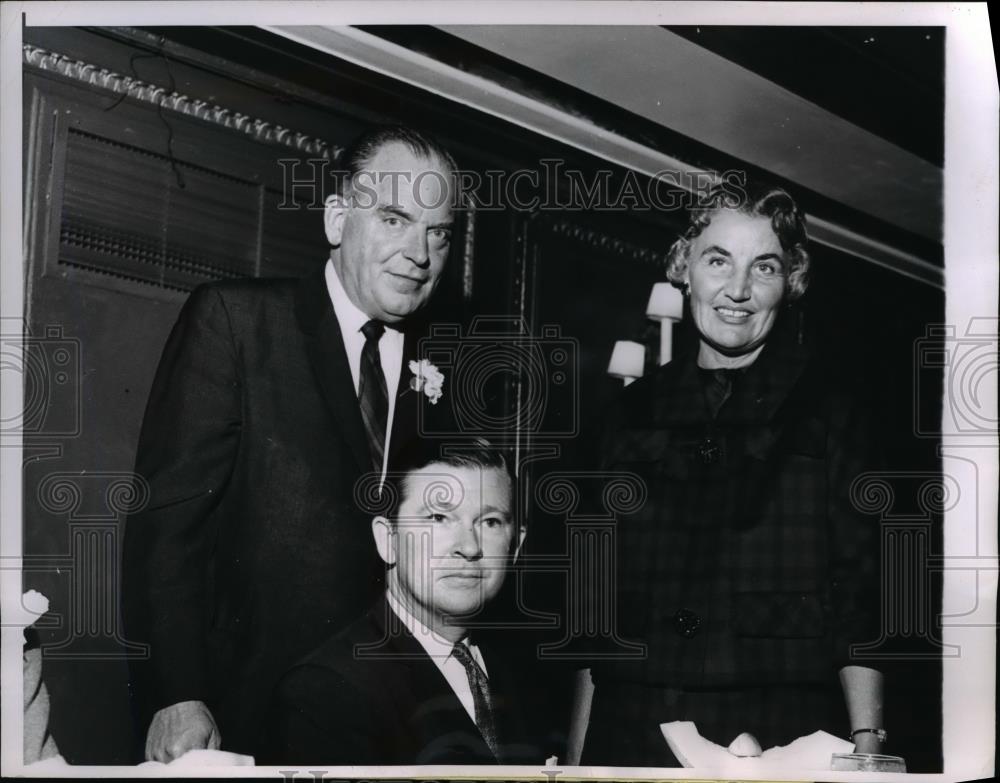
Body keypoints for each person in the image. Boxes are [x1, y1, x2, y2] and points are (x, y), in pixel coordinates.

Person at [122, 125, 459, 762]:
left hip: (390, 723)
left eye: (438, 232)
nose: (420, 252)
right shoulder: (237, 321)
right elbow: (166, 529)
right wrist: (175, 695)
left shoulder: (450, 367)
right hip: (243, 712)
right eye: (395, 218)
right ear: (338, 217)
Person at [577, 180, 886, 765]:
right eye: (718, 260)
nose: (737, 290)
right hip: (634, 724)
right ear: (683, 267)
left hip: (780, 730)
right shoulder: (625, 416)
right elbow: (593, 618)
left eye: (764, 268)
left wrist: (867, 747)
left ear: (789, 283)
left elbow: (862, 597)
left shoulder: (833, 412)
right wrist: (576, 764)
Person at [264, 440, 559, 765]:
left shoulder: (528, 676)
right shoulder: (326, 692)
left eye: (489, 522)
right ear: (387, 540)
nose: (469, 546)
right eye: (438, 517)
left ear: (515, 547)